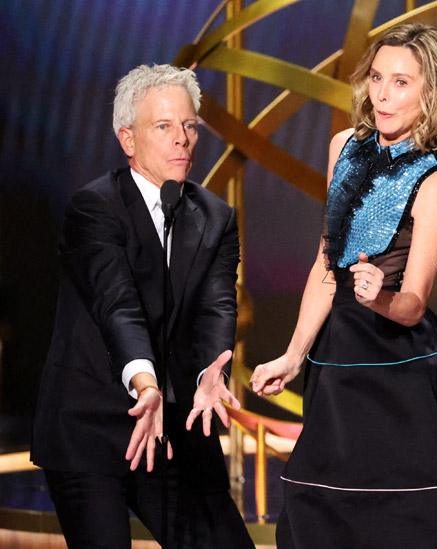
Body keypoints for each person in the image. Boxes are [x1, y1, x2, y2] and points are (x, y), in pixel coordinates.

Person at [249, 24, 437, 549]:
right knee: (327, 516)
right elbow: (327, 266)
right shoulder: (342, 147)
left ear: (430, 94)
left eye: (401, 82)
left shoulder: (434, 181)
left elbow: (414, 304)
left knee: (404, 520)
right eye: (377, 77)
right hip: (338, 359)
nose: (382, 93)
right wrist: (293, 355)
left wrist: (378, 296)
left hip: (403, 369)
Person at [30, 64, 253, 548]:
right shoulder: (95, 208)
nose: (182, 140)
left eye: (190, 126)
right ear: (127, 139)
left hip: (172, 426)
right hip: (91, 425)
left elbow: (217, 306)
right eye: (164, 126)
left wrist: (210, 373)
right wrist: (145, 382)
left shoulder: (215, 216)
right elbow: (118, 305)